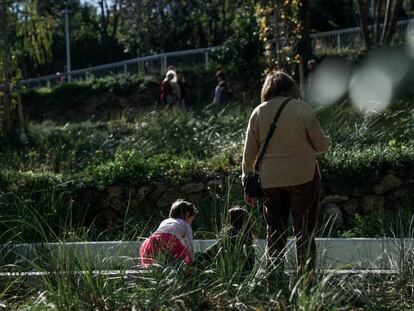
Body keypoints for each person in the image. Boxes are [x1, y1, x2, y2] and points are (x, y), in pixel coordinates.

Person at [242, 70, 329, 274]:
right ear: (291, 88)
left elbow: (248, 157)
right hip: (303, 178)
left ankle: (273, 278)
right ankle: (305, 279)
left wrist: (247, 184)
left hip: (270, 182)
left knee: (275, 231)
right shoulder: (302, 108)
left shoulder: (258, 112)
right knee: (304, 230)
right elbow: (322, 145)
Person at [139, 199, 197, 266]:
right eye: (192, 219)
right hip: (169, 241)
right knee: (183, 257)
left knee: (152, 264)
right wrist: (191, 259)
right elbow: (188, 244)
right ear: (187, 214)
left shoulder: (165, 221)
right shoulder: (185, 224)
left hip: (151, 241)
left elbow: (161, 234)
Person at [202, 206, 255, 273]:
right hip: (242, 269)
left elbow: (216, 249)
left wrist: (201, 256)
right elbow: (251, 258)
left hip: (228, 269)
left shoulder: (230, 234)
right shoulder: (247, 234)